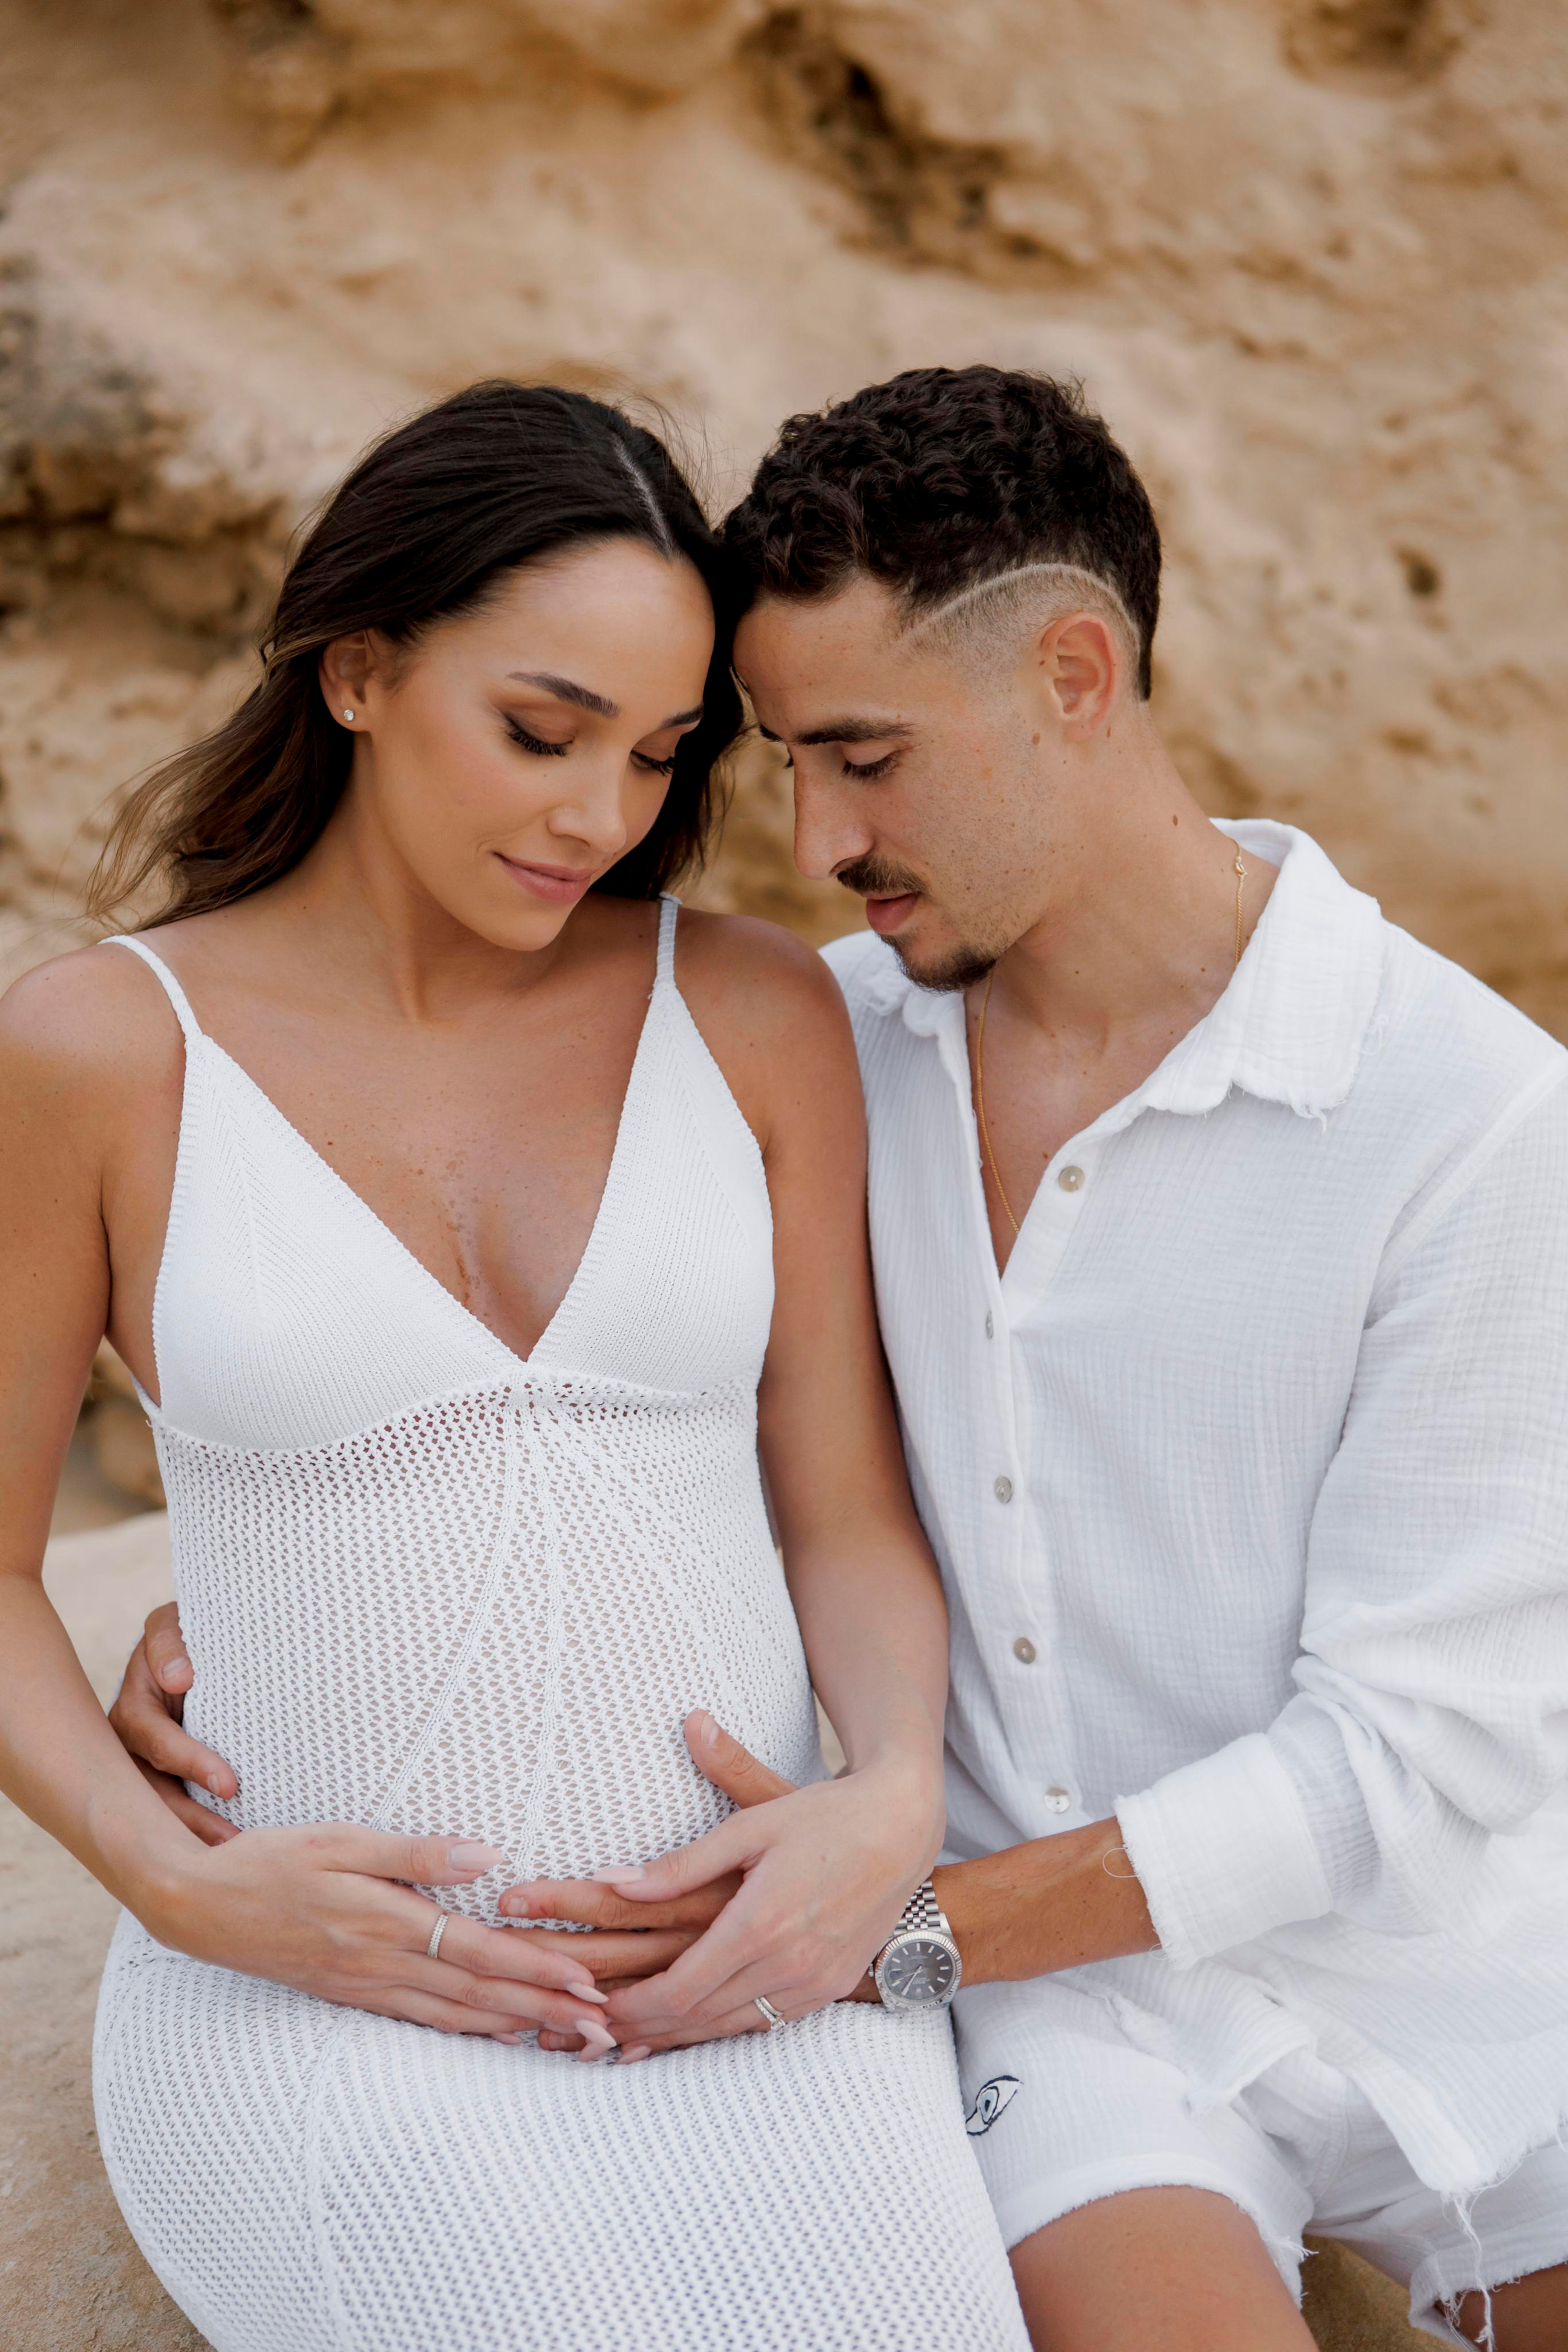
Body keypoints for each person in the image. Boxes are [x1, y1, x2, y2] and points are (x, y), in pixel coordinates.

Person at [110, 366, 1568, 2348]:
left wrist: (898, 1919)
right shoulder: (821, 1036)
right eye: (782, 759)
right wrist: (274, 1589)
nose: (809, 840)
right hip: (1069, 2037)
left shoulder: (1472, 1118)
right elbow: (572, 1411)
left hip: (1442, 1968)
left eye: (864, 757)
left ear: (1075, 675)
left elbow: (1423, 1752)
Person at [0, 380, 1030, 2352]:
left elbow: (841, 1511)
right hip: (326, 1998)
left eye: (655, 756)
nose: (598, 817)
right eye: (542, 733)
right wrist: (177, 1888)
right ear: (359, 669)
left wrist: (889, 1793)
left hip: (742, 1978)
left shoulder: (750, 1008)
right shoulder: (100, 1053)